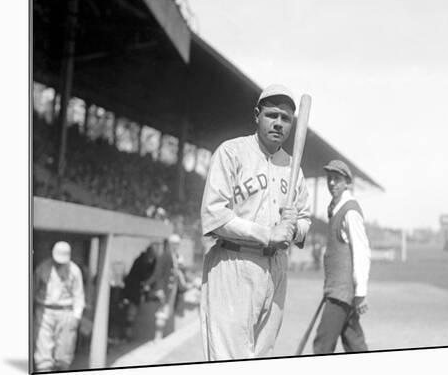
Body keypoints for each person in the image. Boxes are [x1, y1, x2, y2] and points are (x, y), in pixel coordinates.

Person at [200, 84, 312, 360]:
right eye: (272, 115)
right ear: (256, 115)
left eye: (285, 119)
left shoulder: (293, 168)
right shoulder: (231, 152)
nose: (278, 123)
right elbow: (214, 215)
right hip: (233, 262)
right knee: (228, 357)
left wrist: (294, 227)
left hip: (275, 268)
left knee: (264, 356)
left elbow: (306, 220)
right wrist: (267, 233)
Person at [313, 160, 371, 354]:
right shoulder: (336, 208)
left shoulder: (350, 211)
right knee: (355, 345)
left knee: (322, 346)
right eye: (329, 179)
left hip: (341, 294)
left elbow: (362, 252)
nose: (331, 183)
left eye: (336, 179)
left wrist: (360, 293)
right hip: (337, 291)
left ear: (347, 182)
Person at [33, 241, 85, 372]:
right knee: (43, 347)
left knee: (65, 350)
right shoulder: (42, 268)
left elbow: (78, 294)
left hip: (66, 312)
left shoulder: (74, 271)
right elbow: (33, 289)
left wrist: (77, 316)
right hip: (45, 310)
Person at [146, 234, 189, 341]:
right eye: (174, 244)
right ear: (170, 244)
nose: (176, 246)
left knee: (169, 311)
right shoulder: (165, 256)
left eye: (177, 244)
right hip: (165, 289)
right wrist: (159, 289)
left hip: (174, 290)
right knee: (162, 312)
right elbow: (158, 274)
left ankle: (166, 335)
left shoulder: (177, 256)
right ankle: (158, 336)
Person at [121, 243, 158, 340]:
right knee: (131, 313)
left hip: (134, 290)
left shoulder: (144, 261)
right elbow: (145, 275)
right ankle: (127, 334)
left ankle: (127, 334)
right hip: (133, 290)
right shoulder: (141, 261)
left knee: (131, 311)